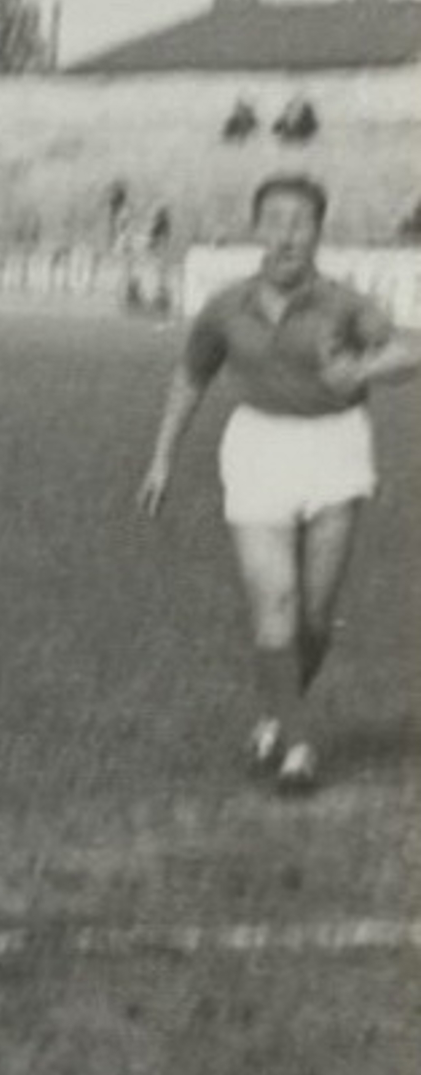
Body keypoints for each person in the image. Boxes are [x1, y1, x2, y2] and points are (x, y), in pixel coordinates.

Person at [138, 173, 420, 795]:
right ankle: (297, 750)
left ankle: (275, 714)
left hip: (337, 451)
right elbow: (190, 378)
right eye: (274, 221)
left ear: (319, 231)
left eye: (300, 222)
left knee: (314, 621)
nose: (287, 235)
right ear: (256, 228)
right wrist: (162, 460)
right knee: (278, 606)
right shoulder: (226, 307)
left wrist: (363, 369)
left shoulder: (345, 304)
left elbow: (408, 352)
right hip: (259, 449)